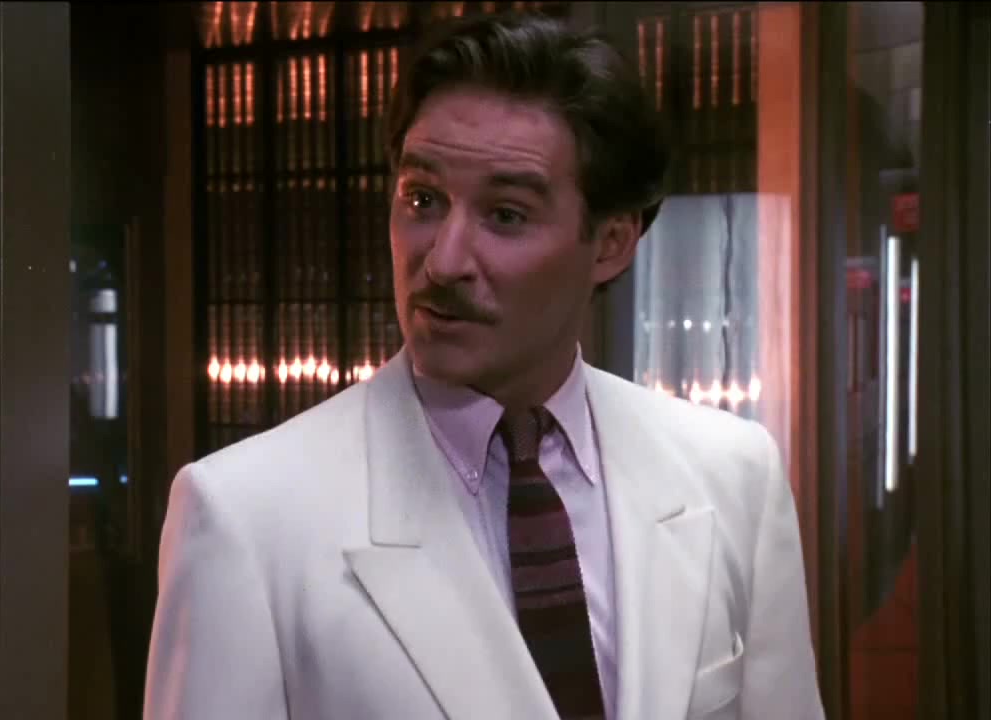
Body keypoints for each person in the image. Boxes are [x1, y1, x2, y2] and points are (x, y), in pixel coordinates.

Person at [144, 11, 824, 720]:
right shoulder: (246, 516)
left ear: (611, 243)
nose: (443, 262)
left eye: (505, 215)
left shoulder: (732, 475)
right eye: (422, 200)